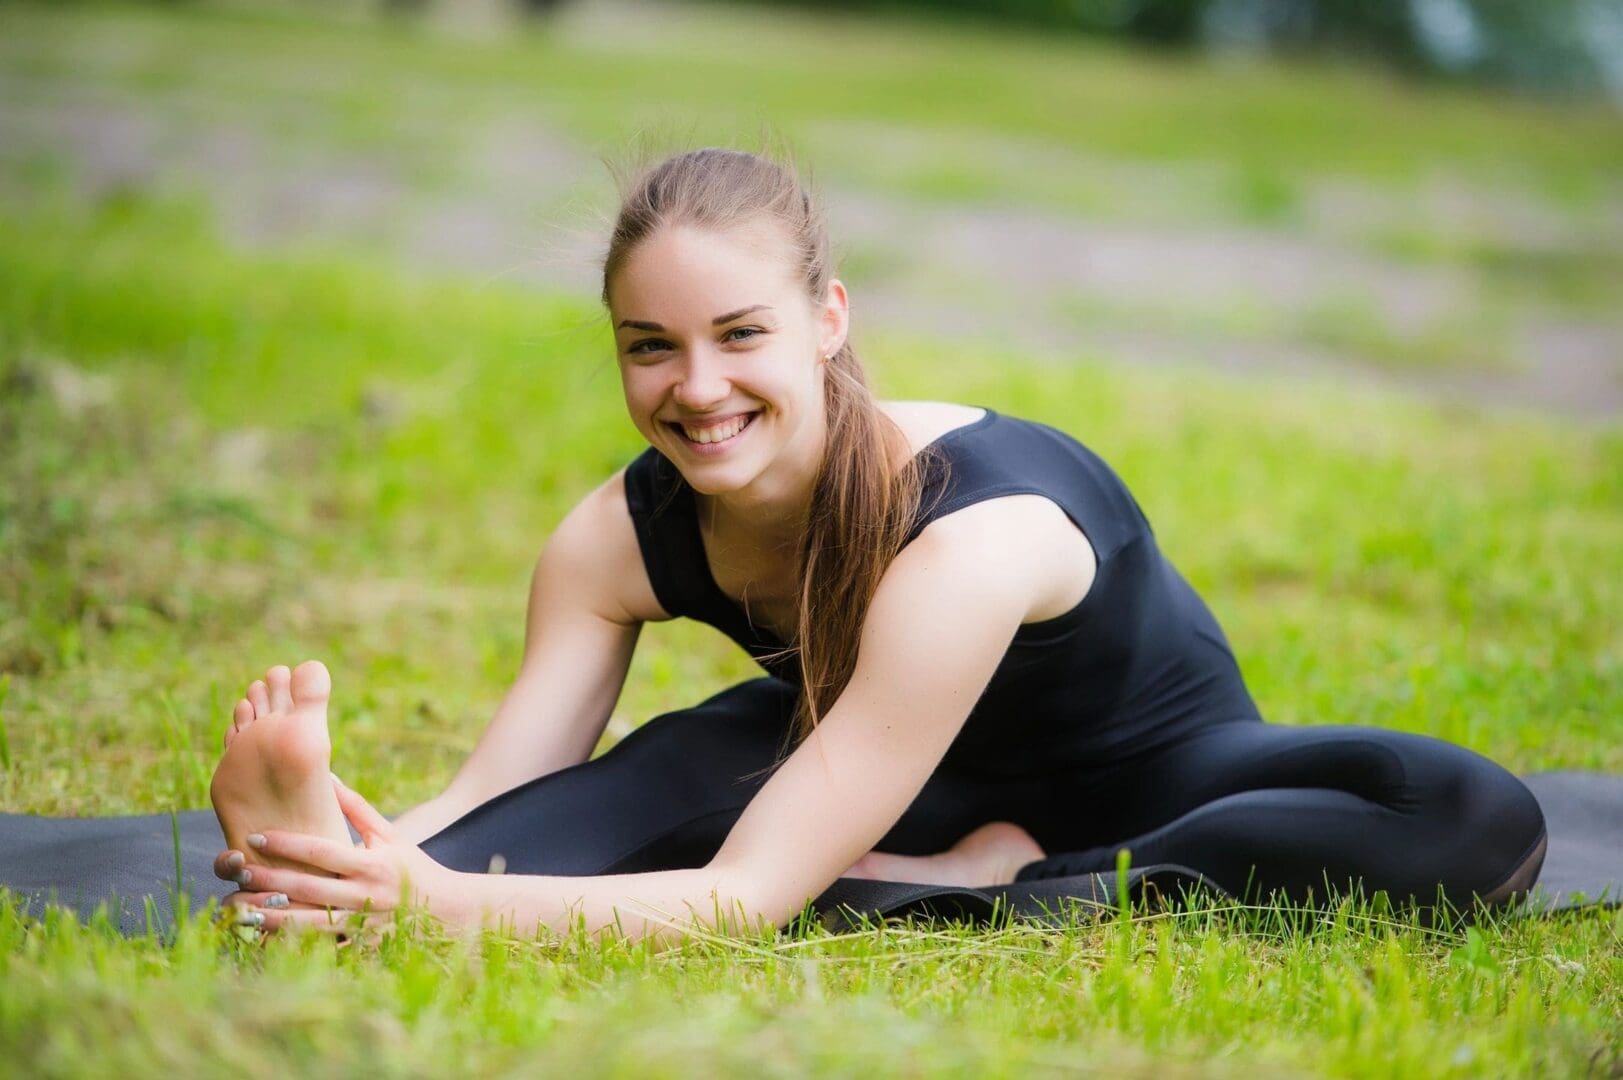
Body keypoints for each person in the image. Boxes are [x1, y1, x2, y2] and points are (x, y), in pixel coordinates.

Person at [206, 147, 1548, 944]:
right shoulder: (612, 539)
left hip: (1157, 788)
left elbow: (742, 899)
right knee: (643, 785)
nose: (697, 387)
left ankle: (1004, 882)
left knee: (1472, 818)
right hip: (869, 764)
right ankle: (308, 865)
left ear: (827, 320)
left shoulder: (972, 534)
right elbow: (514, 781)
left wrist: (431, 909)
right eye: (649, 346)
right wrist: (379, 850)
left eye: (740, 335)